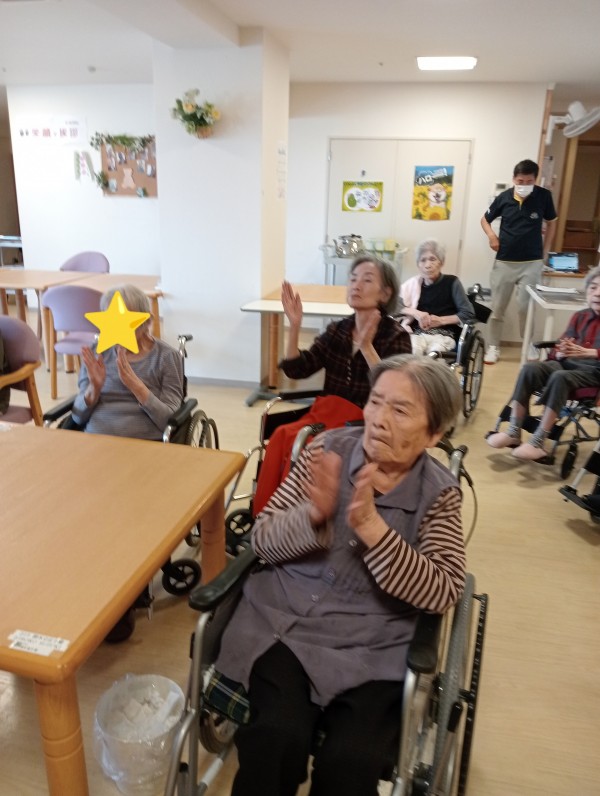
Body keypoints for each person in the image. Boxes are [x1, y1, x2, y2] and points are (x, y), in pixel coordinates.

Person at [216, 354, 466, 796]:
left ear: (434, 434)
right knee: (275, 736)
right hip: (284, 626)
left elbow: (443, 590)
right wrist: (313, 516)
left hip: (375, 646)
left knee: (352, 762)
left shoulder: (440, 494)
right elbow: (263, 539)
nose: (379, 419)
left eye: (400, 410)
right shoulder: (325, 451)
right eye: (375, 401)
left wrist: (372, 528)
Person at [252, 255, 411, 513]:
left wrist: (367, 347)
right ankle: (269, 514)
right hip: (325, 414)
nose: (356, 285)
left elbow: (393, 390)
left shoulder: (396, 336)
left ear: (385, 293)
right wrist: (294, 326)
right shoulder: (338, 330)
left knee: (307, 445)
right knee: (281, 435)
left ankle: (303, 515)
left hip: (365, 423)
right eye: (353, 279)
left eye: (367, 280)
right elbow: (298, 369)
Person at [487, 265, 600, 461]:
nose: (597, 293)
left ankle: (538, 441)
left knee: (559, 377)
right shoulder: (580, 316)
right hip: (567, 365)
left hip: (594, 374)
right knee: (530, 369)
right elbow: (562, 343)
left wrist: (591, 353)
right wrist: (560, 351)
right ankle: (514, 431)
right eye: (593, 287)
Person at [71, 284, 184, 439]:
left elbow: (169, 421)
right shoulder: (96, 354)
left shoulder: (167, 357)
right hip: (97, 439)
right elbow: (77, 417)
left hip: (146, 442)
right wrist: (94, 388)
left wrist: (137, 387)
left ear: (147, 322)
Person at [481, 159, 558, 365]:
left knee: (526, 307)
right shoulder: (504, 198)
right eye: (520, 181)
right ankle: (493, 346)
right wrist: (492, 236)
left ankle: (528, 344)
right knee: (497, 307)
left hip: (531, 262)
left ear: (535, 180)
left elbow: (552, 223)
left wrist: (545, 251)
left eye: (529, 181)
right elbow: (485, 219)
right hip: (505, 261)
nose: (524, 185)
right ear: (514, 179)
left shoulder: (544, 196)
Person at [399, 238, 476, 355]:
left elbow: (468, 313)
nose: (427, 265)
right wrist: (415, 313)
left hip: (444, 335)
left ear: (442, 262)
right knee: (413, 352)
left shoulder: (452, 282)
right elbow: (393, 304)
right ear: (418, 265)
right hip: (418, 334)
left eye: (432, 259)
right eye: (423, 260)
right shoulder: (413, 284)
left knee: (434, 356)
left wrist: (441, 320)